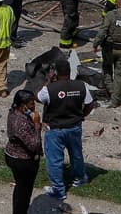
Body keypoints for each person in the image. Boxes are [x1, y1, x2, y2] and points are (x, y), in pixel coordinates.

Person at [39, 57, 94, 204]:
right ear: (70, 71)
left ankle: (59, 191)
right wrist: (81, 116)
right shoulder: (81, 86)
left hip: (55, 130)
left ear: (55, 73)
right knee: (76, 154)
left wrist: (49, 80)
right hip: (75, 127)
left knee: (55, 160)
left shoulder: (49, 89)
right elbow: (89, 104)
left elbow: (39, 98)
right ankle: (80, 177)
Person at [4, 89, 42, 214]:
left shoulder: (14, 113)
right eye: (31, 103)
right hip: (23, 161)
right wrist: (37, 126)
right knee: (24, 194)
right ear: (23, 105)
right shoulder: (21, 123)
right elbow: (34, 145)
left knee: (20, 189)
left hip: (13, 155)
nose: (34, 106)